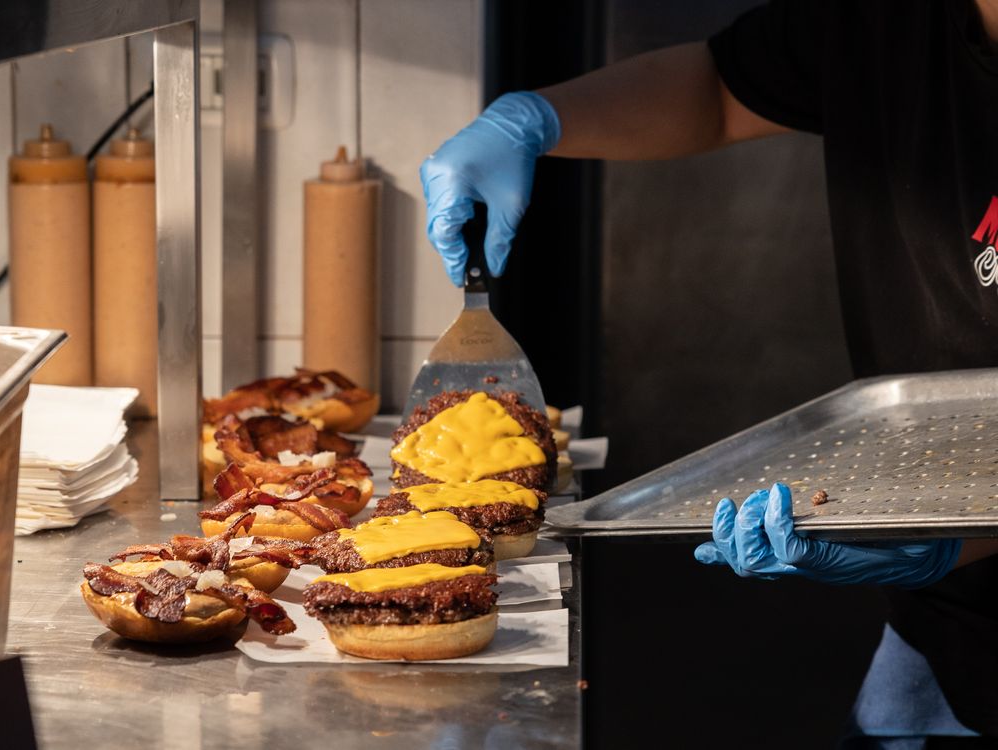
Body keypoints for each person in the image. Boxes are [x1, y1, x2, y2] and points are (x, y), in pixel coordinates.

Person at [419, 1, 998, 745]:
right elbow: (720, 92)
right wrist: (536, 119)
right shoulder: (877, 18)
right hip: (940, 644)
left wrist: (955, 536)